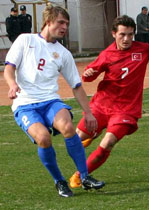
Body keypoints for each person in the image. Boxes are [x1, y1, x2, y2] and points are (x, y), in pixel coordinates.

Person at [69, 15, 149, 188]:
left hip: (126, 110)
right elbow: (89, 76)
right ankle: (92, 135)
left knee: (108, 142)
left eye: (130, 34)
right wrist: (89, 74)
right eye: (122, 35)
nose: (126, 39)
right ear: (114, 34)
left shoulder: (144, 50)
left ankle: (81, 175)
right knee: (75, 139)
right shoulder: (106, 55)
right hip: (102, 106)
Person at [3, 4, 104, 198]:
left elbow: (76, 85)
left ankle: (84, 176)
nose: (65, 27)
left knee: (67, 127)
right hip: (25, 104)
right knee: (43, 138)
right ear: (48, 22)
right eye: (61, 22)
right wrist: (12, 84)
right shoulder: (25, 40)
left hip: (50, 101)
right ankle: (59, 181)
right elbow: (9, 67)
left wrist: (89, 113)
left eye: (67, 23)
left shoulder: (64, 53)